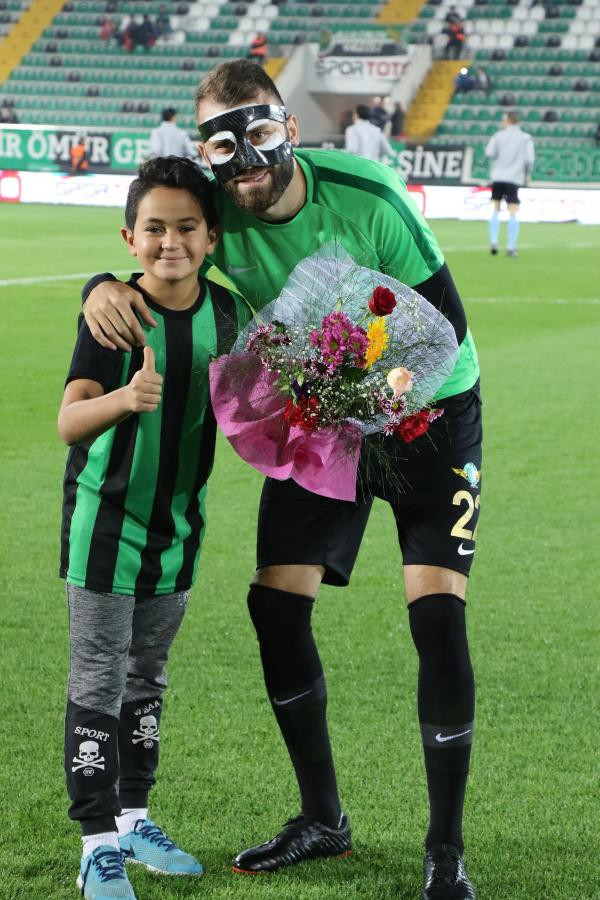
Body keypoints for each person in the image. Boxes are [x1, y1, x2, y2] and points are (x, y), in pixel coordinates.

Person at [80, 59, 482, 900]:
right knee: (275, 603)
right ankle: (323, 819)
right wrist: (100, 286)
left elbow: (443, 326)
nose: (246, 161)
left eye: (261, 133)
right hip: (326, 406)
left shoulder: (367, 197)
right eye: (223, 146)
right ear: (207, 151)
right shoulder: (217, 207)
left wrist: (378, 397)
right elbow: (162, 257)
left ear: (289, 127)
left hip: (431, 408)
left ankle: (446, 848)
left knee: (437, 613)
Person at [58, 156, 248, 900]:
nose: (171, 242)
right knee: (99, 678)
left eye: (187, 227)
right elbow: (70, 420)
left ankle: (134, 820)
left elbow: (248, 413)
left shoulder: (230, 317)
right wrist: (125, 399)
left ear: (211, 237)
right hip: (105, 528)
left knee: (147, 677)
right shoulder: (114, 312)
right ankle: (95, 844)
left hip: (178, 530)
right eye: (155, 228)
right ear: (129, 238)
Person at [485, 110, 535, 257]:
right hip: (514, 178)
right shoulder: (526, 138)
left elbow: (489, 153)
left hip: (498, 177)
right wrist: (528, 174)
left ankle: (494, 241)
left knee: (496, 209)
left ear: (507, 121)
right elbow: (530, 159)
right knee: (513, 211)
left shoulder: (498, 136)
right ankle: (511, 246)